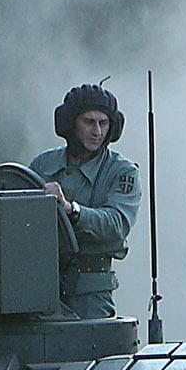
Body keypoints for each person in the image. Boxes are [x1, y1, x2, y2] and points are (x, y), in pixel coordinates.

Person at [26, 84, 144, 318]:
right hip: (38, 287)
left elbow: (116, 225)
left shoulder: (122, 172)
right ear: (70, 123)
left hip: (91, 292)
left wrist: (72, 210)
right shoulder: (43, 165)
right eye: (89, 122)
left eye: (104, 123)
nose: (97, 132)